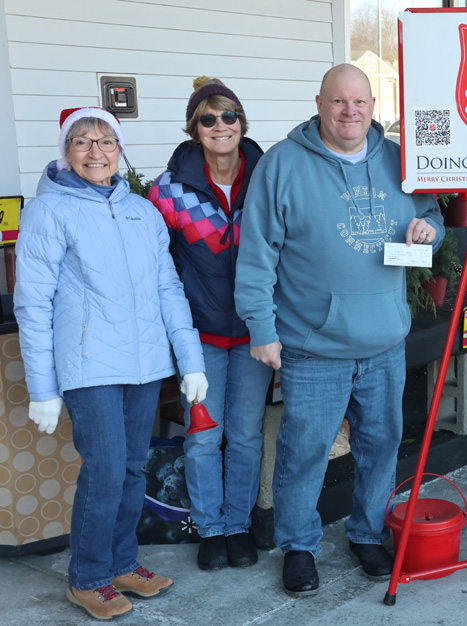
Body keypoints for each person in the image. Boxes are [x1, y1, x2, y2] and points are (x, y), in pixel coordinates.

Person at [234, 64, 444, 596]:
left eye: (360, 101)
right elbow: (257, 256)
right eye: (337, 102)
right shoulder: (282, 164)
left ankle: (368, 532)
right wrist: (262, 328)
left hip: (385, 342)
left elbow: (434, 216)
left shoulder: (399, 160)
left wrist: (429, 230)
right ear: (319, 103)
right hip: (313, 345)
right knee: (305, 450)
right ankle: (299, 546)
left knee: (381, 443)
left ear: (372, 105)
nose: (350, 112)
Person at [14, 107, 208, 620]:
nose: (95, 151)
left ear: (120, 151)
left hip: (144, 365)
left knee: (128, 468)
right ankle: (89, 576)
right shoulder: (47, 212)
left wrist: (190, 361)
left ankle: (122, 562)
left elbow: (168, 288)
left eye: (106, 142)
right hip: (90, 365)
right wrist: (42, 388)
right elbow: (33, 303)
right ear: (66, 150)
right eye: (83, 142)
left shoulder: (142, 211)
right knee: (103, 471)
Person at [148, 77, 274, 571]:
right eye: (208, 118)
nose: (220, 126)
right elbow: (151, 264)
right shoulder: (169, 190)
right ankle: (211, 528)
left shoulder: (267, 178)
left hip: (253, 333)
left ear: (242, 123)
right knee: (204, 435)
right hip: (198, 336)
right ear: (193, 128)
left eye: (229, 116)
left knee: (244, 434)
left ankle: (238, 524)